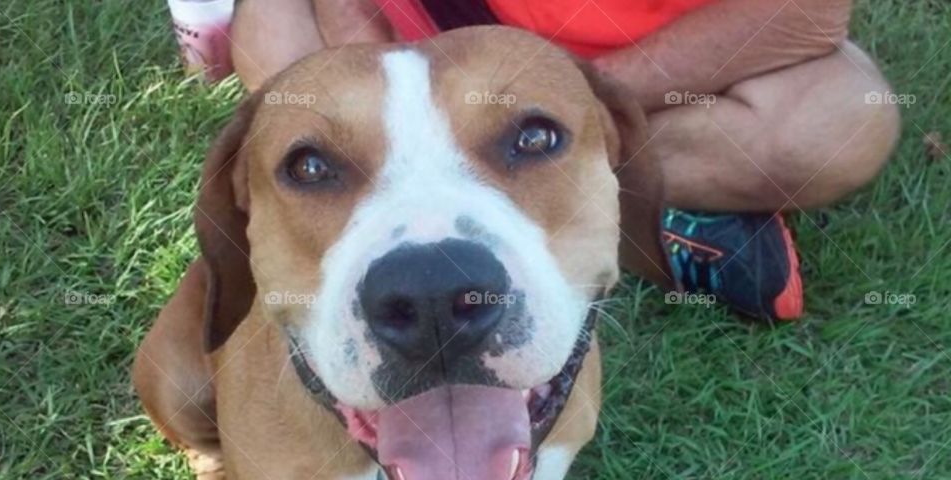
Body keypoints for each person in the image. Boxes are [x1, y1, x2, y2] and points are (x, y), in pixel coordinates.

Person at [227, 0, 900, 321]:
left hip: (655, 68)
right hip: (431, 40)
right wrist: (384, 99)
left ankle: (606, 190)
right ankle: (599, 196)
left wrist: (551, 107)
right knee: (278, 32)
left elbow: (802, 13)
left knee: (842, 120)